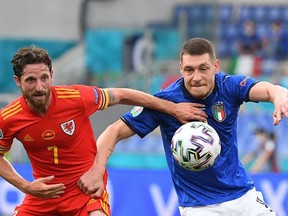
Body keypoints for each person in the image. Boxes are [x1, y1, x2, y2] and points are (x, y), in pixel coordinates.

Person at [79, 38, 288, 216]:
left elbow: (268, 89)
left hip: (243, 197)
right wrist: (97, 170)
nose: (196, 77)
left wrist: (279, 96)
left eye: (203, 69)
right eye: (189, 70)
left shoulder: (229, 86)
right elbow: (113, 131)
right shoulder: (165, 101)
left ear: (215, 66)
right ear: (181, 69)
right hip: (199, 206)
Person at [0, 45, 208, 216]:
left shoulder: (76, 98)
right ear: (18, 82)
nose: (39, 87)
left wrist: (171, 108)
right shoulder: (9, 118)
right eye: (30, 80)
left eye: (44, 78)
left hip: (85, 189)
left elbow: (121, 94)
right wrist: (25, 186)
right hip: (41, 198)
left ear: (52, 75)